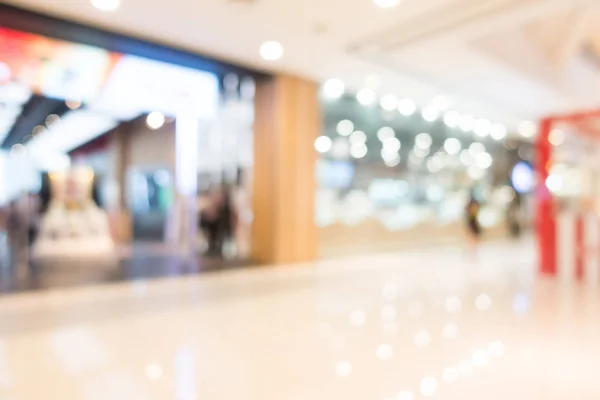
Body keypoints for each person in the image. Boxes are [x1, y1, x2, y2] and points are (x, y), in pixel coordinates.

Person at [465, 190, 482, 259]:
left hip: (473, 221)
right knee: (471, 236)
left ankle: (472, 249)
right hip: (472, 221)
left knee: (473, 236)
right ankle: (471, 249)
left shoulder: (471, 204)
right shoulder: (472, 204)